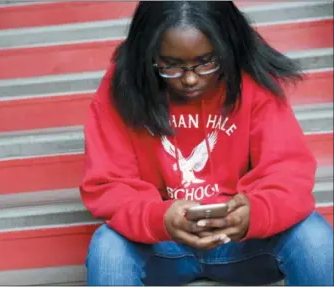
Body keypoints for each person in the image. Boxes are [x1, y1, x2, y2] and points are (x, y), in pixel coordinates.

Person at [79, 1, 333, 286]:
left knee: (315, 240)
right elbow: (109, 183)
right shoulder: (122, 86)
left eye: (207, 62)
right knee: (108, 248)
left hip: (245, 242)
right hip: (161, 245)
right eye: (171, 66)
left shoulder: (252, 78)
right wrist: (160, 218)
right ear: (148, 55)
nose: (189, 78)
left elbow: (288, 170)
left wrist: (256, 212)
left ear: (228, 49)